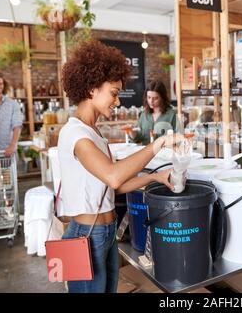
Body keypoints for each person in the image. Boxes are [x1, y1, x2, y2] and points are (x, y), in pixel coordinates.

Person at [58, 39, 181, 293]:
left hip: (104, 233)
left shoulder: (94, 133)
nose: (117, 101)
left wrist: (155, 178)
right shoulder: (75, 134)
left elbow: (115, 186)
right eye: (113, 93)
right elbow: (114, 176)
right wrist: (158, 144)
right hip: (86, 236)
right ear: (92, 88)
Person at [131, 80, 178, 145]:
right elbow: (139, 138)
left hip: (165, 153)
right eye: (149, 97)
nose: (151, 101)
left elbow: (179, 138)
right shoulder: (144, 115)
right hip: (146, 153)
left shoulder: (172, 115)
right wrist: (131, 132)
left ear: (162, 97)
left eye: (155, 98)